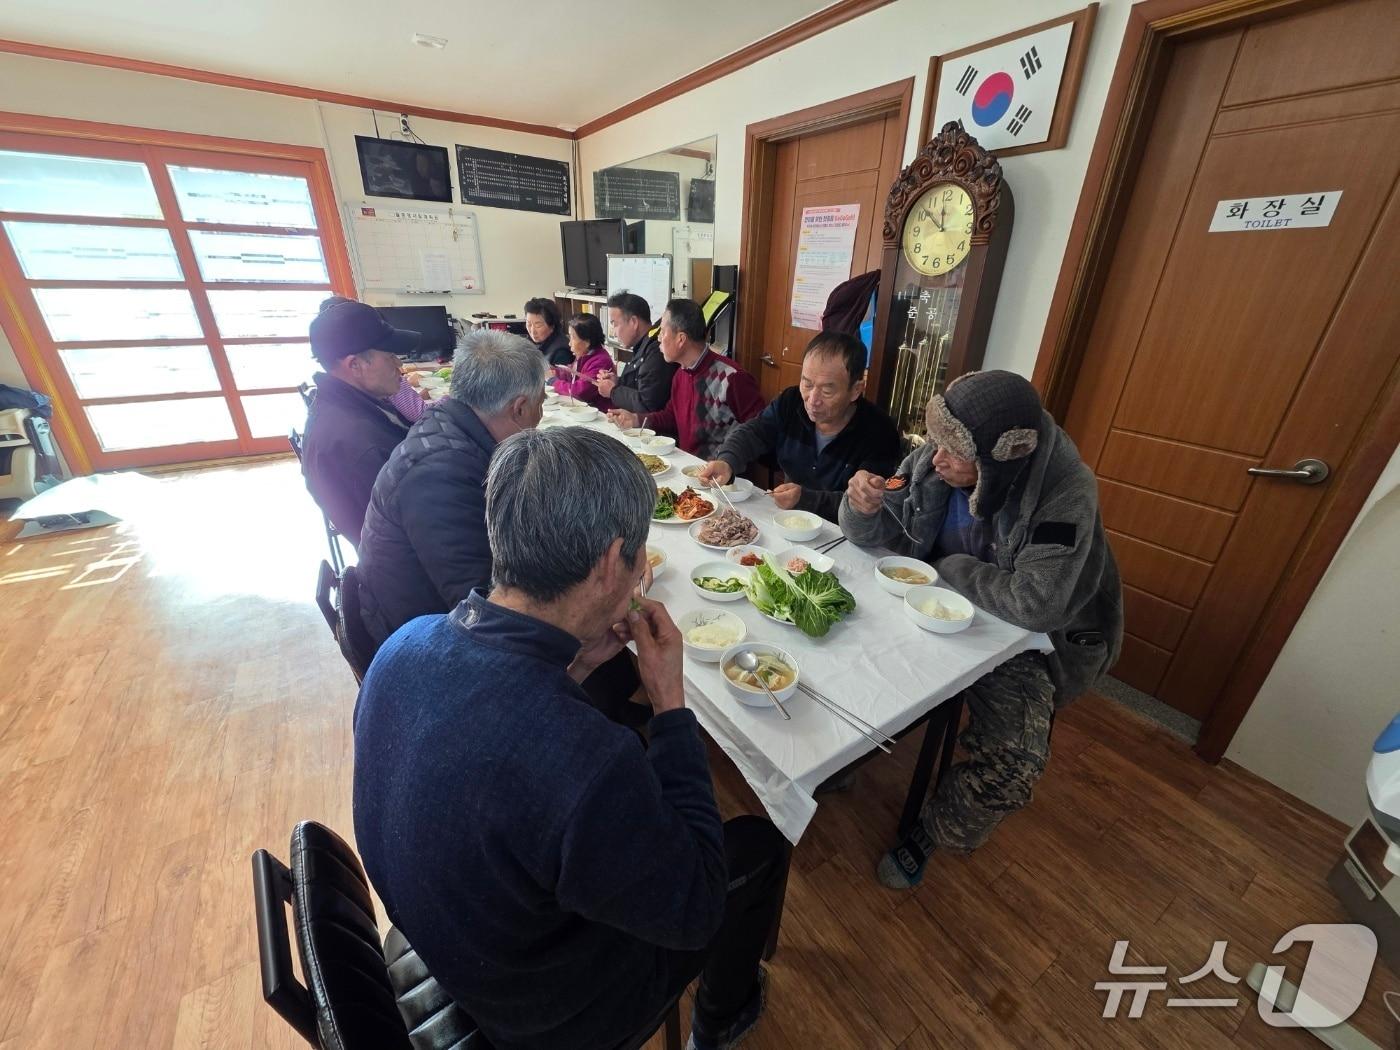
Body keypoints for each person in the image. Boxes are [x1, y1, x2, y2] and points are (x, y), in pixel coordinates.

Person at [354, 426, 789, 1050]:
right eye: (640, 554)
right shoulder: (587, 762)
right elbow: (693, 911)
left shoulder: (404, 644)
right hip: (543, 1014)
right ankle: (724, 1018)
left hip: (443, 929)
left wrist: (577, 668)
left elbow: (502, 733)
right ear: (616, 561)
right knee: (757, 847)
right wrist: (669, 703)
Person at [838, 370, 1123, 890]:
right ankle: (847, 753)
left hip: (1018, 637)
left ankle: (935, 828)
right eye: (935, 441)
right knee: (840, 648)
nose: (935, 457)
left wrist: (948, 569)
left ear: (1001, 456)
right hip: (925, 601)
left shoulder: (1064, 489)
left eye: (954, 450)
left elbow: (1036, 603)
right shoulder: (933, 458)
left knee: (1014, 763)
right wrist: (860, 507)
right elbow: (883, 530)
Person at [356, 329, 546, 646]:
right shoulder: (439, 474)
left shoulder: (451, 425)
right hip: (423, 641)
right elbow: (481, 606)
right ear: (519, 408)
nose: (541, 414)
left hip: (435, 616)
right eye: (542, 401)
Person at [698, 331, 901, 521]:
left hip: (843, 534)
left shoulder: (879, 432)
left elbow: (868, 503)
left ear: (856, 390)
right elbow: (754, 432)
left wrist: (806, 499)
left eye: (827, 391)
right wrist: (727, 461)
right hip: (788, 521)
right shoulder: (791, 401)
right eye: (807, 384)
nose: (812, 400)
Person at [300, 297, 420, 546]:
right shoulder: (357, 443)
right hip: (409, 572)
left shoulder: (356, 405)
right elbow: (408, 535)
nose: (399, 365)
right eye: (390, 357)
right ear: (355, 365)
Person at [608, 298, 764, 460]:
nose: (659, 338)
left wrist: (728, 462)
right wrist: (637, 419)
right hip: (688, 467)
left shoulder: (732, 377)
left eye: (662, 331)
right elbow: (671, 416)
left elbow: (759, 431)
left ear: (680, 339)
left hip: (721, 478)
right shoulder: (681, 373)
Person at [595, 292, 676, 415]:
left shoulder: (657, 352)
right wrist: (618, 382)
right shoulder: (643, 346)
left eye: (615, 324)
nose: (614, 332)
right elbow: (640, 383)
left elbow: (648, 404)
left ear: (633, 322)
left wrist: (613, 391)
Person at [550, 313, 614, 410]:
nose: (569, 343)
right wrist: (556, 372)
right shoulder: (584, 354)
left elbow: (579, 392)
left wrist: (553, 382)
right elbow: (571, 374)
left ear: (587, 342)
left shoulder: (601, 361)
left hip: (600, 416)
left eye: (573, 337)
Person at [524, 297, 572, 366]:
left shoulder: (561, 353)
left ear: (552, 326)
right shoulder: (531, 342)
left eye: (538, 326)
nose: (532, 331)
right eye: (529, 324)